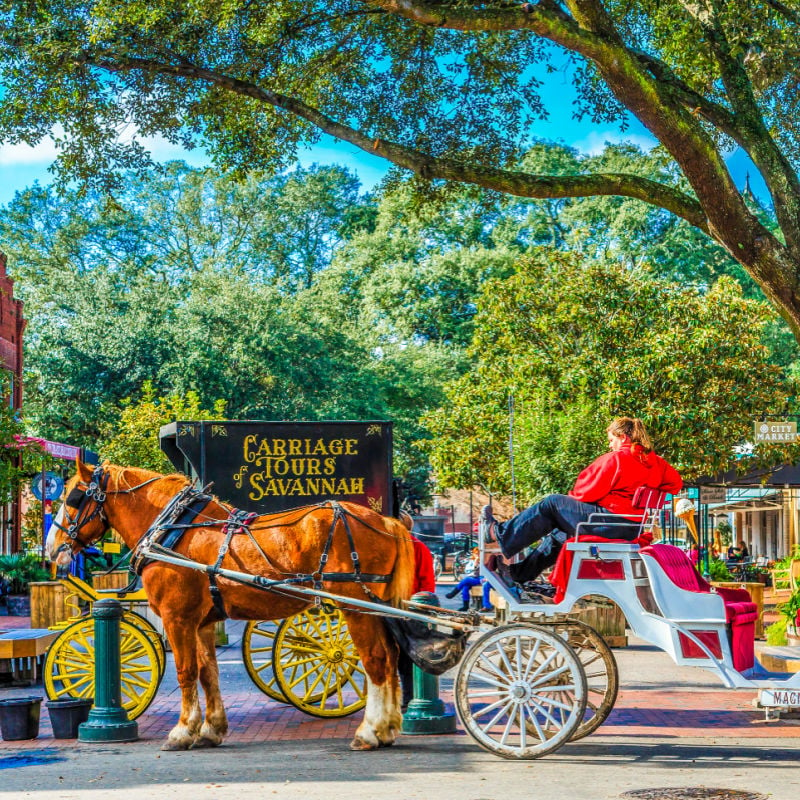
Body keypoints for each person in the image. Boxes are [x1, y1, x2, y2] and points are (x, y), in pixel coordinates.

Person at [482, 416, 682, 587]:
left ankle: (498, 533)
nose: (609, 444)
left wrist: (573, 500)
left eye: (611, 439)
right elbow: (675, 484)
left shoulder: (617, 459)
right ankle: (519, 574)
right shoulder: (656, 462)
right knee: (560, 530)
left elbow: (585, 491)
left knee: (552, 503)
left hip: (609, 523)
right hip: (632, 527)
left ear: (623, 437)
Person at [399, 534, 436, 712]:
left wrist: (423, 608)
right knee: (401, 659)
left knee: (409, 657)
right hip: (398, 606)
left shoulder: (417, 547)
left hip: (412, 607)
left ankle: (410, 699)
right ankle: (406, 698)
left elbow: (427, 582)